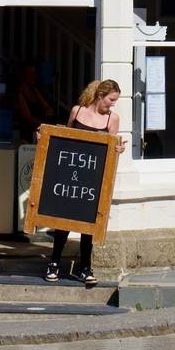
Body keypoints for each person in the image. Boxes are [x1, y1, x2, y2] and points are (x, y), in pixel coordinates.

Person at [44, 79, 125, 286]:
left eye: (115, 101)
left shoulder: (112, 119)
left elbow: (110, 149)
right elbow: (65, 139)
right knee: (63, 220)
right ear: (100, 95)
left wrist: (118, 151)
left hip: (93, 177)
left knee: (88, 224)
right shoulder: (77, 111)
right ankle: (53, 264)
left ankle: (85, 268)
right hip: (70, 174)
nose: (113, 104)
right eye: (111, 99)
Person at [15, 64, 54, 143]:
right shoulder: (20, 92)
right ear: (24, 75)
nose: (34, 76)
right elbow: (27, 117)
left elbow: (47, 107)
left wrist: (48, 110)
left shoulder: (35, 90)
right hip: (28, 131)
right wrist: (45, 125)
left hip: (41, 127)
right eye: (31, 73)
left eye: (35, 73)